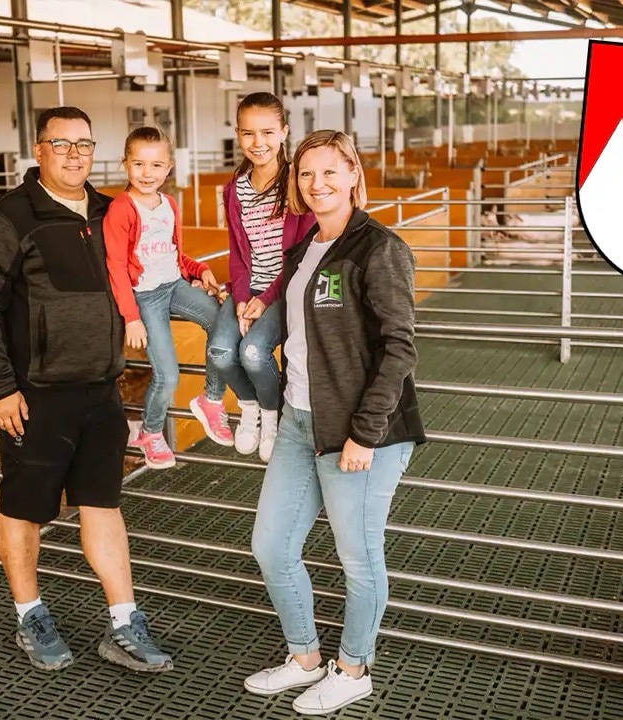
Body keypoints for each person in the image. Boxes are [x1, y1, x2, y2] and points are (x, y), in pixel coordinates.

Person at [0, 106, 172, 675]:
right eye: (62, 143)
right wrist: (0, 387)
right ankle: (30, 613)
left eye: (84, 143)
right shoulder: (8, 217)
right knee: (25, 506)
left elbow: (146, 268)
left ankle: (124, 622)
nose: (75, 154)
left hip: (101, 386)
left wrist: (197, 278)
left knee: (103, 502)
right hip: (36, 392)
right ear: (38, 149)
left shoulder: (109, 210)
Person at [243, 130, 426, 715]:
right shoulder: (304, 250)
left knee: (359, 557)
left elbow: (399, 347)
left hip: (361, 433)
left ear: (353, 174)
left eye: (329, 172)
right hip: (300, 421)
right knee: (271, 545)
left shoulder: (379, 248)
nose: (316, 184)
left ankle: (353, 668)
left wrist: (364, 433)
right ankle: (303, 659)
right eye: (305, 174)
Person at [103, 125, 234, 468]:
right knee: (168, 375)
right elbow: (116, 266)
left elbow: (174, 254)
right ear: (125, 164)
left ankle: (211, 398)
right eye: (139, 164)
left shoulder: (169, 204)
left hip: (174, 284)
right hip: (145, 297)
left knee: (223, 322)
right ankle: (150, 430)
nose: (148, 173)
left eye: (156, 165)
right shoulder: (121, 209)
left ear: (169, 167)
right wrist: (131, 315)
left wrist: (198, 270)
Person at [210, 92, 316, 462]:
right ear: (238, 135)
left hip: (283, 289)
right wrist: (241, 298)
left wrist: (265, 299)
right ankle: (249, 404)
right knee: (221, 352)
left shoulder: (297, 184)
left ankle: (272, 416)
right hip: (247, 287)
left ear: (284, 132)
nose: (259, 143)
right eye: (248, 134)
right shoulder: (233, 189)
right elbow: (237, 252)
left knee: (254, 353)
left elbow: (301, 254)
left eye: (268, 132)